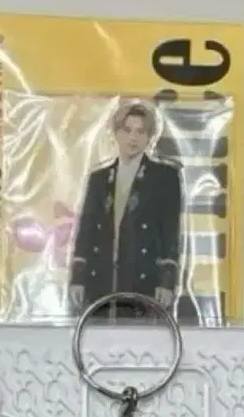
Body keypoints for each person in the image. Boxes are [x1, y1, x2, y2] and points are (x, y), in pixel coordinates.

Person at [70, 100, 183, 317]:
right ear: (116, 133)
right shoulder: (99, 179)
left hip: (143, 275)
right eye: (127, 130)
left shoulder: (165, 178)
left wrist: (167, 281)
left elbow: (171, 232)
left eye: (140, 132)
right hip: (102, 275)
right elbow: (86, 231)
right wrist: (78, 278)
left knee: (137, 333)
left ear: (149, 137)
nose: (133, 137)